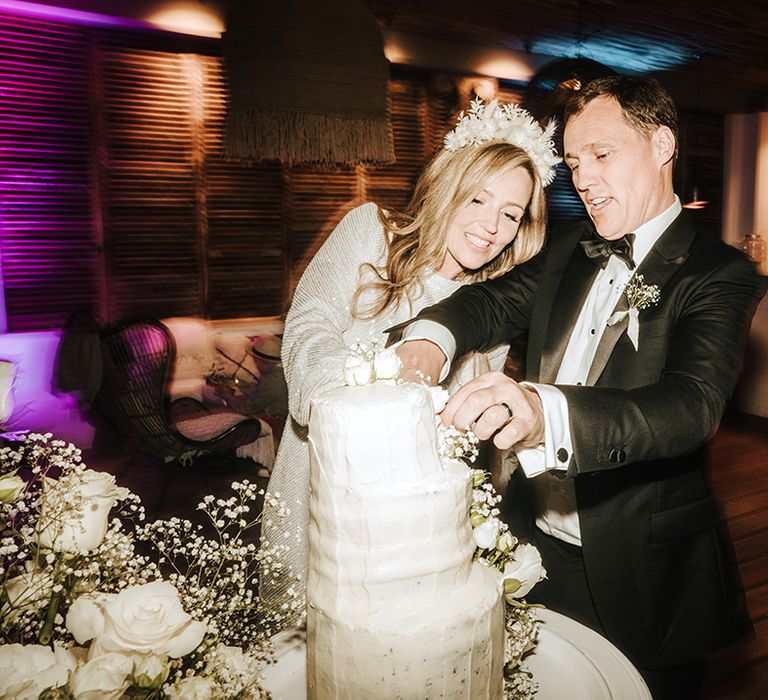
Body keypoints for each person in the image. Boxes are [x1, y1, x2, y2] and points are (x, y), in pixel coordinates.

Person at [391, 75, 766, 700]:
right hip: (533, 551)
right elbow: (486, 303)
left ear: (662, 144)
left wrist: (544, 412)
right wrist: (430, 340)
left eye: (602, 155)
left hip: (649, 577)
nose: (583, 178)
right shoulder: (570, 248)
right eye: (572, 162)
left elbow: (691, 406)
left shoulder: (718, 272)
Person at [259, 99, 561, 629]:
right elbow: (306, 334)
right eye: (477, 199)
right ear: (449, 185)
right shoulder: (371, 229)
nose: (490, 227)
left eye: (510, 214)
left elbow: (468, 436)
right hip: (318, 479)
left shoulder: (489, 303)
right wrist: (385, 373)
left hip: (408, 519)